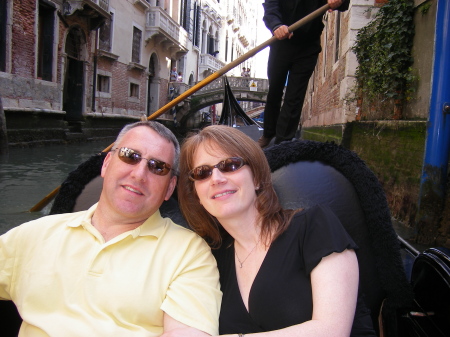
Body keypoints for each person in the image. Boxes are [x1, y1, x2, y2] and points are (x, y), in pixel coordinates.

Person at [0, 121, 221, 336]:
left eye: (157, 167)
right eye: (129, 156)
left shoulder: (188, 253)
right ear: (106, 163)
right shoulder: (34, 235)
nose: (139, 174)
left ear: (169, 188)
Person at [176, 125, 376, 337]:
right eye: (202, 172)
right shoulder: (210, 259)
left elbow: (331, 331)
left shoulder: (314, 227)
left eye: (230, 165)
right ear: (196, 193)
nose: (216, 178)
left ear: (258, 178)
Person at [258, 0, 349, 148]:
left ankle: (283, 143)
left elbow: (343, 4)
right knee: (274, 91)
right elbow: (270, 7)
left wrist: (338, 1)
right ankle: (268, 133)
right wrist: (276, 26)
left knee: (294, 96)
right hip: (281, 43)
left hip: (308, 46)